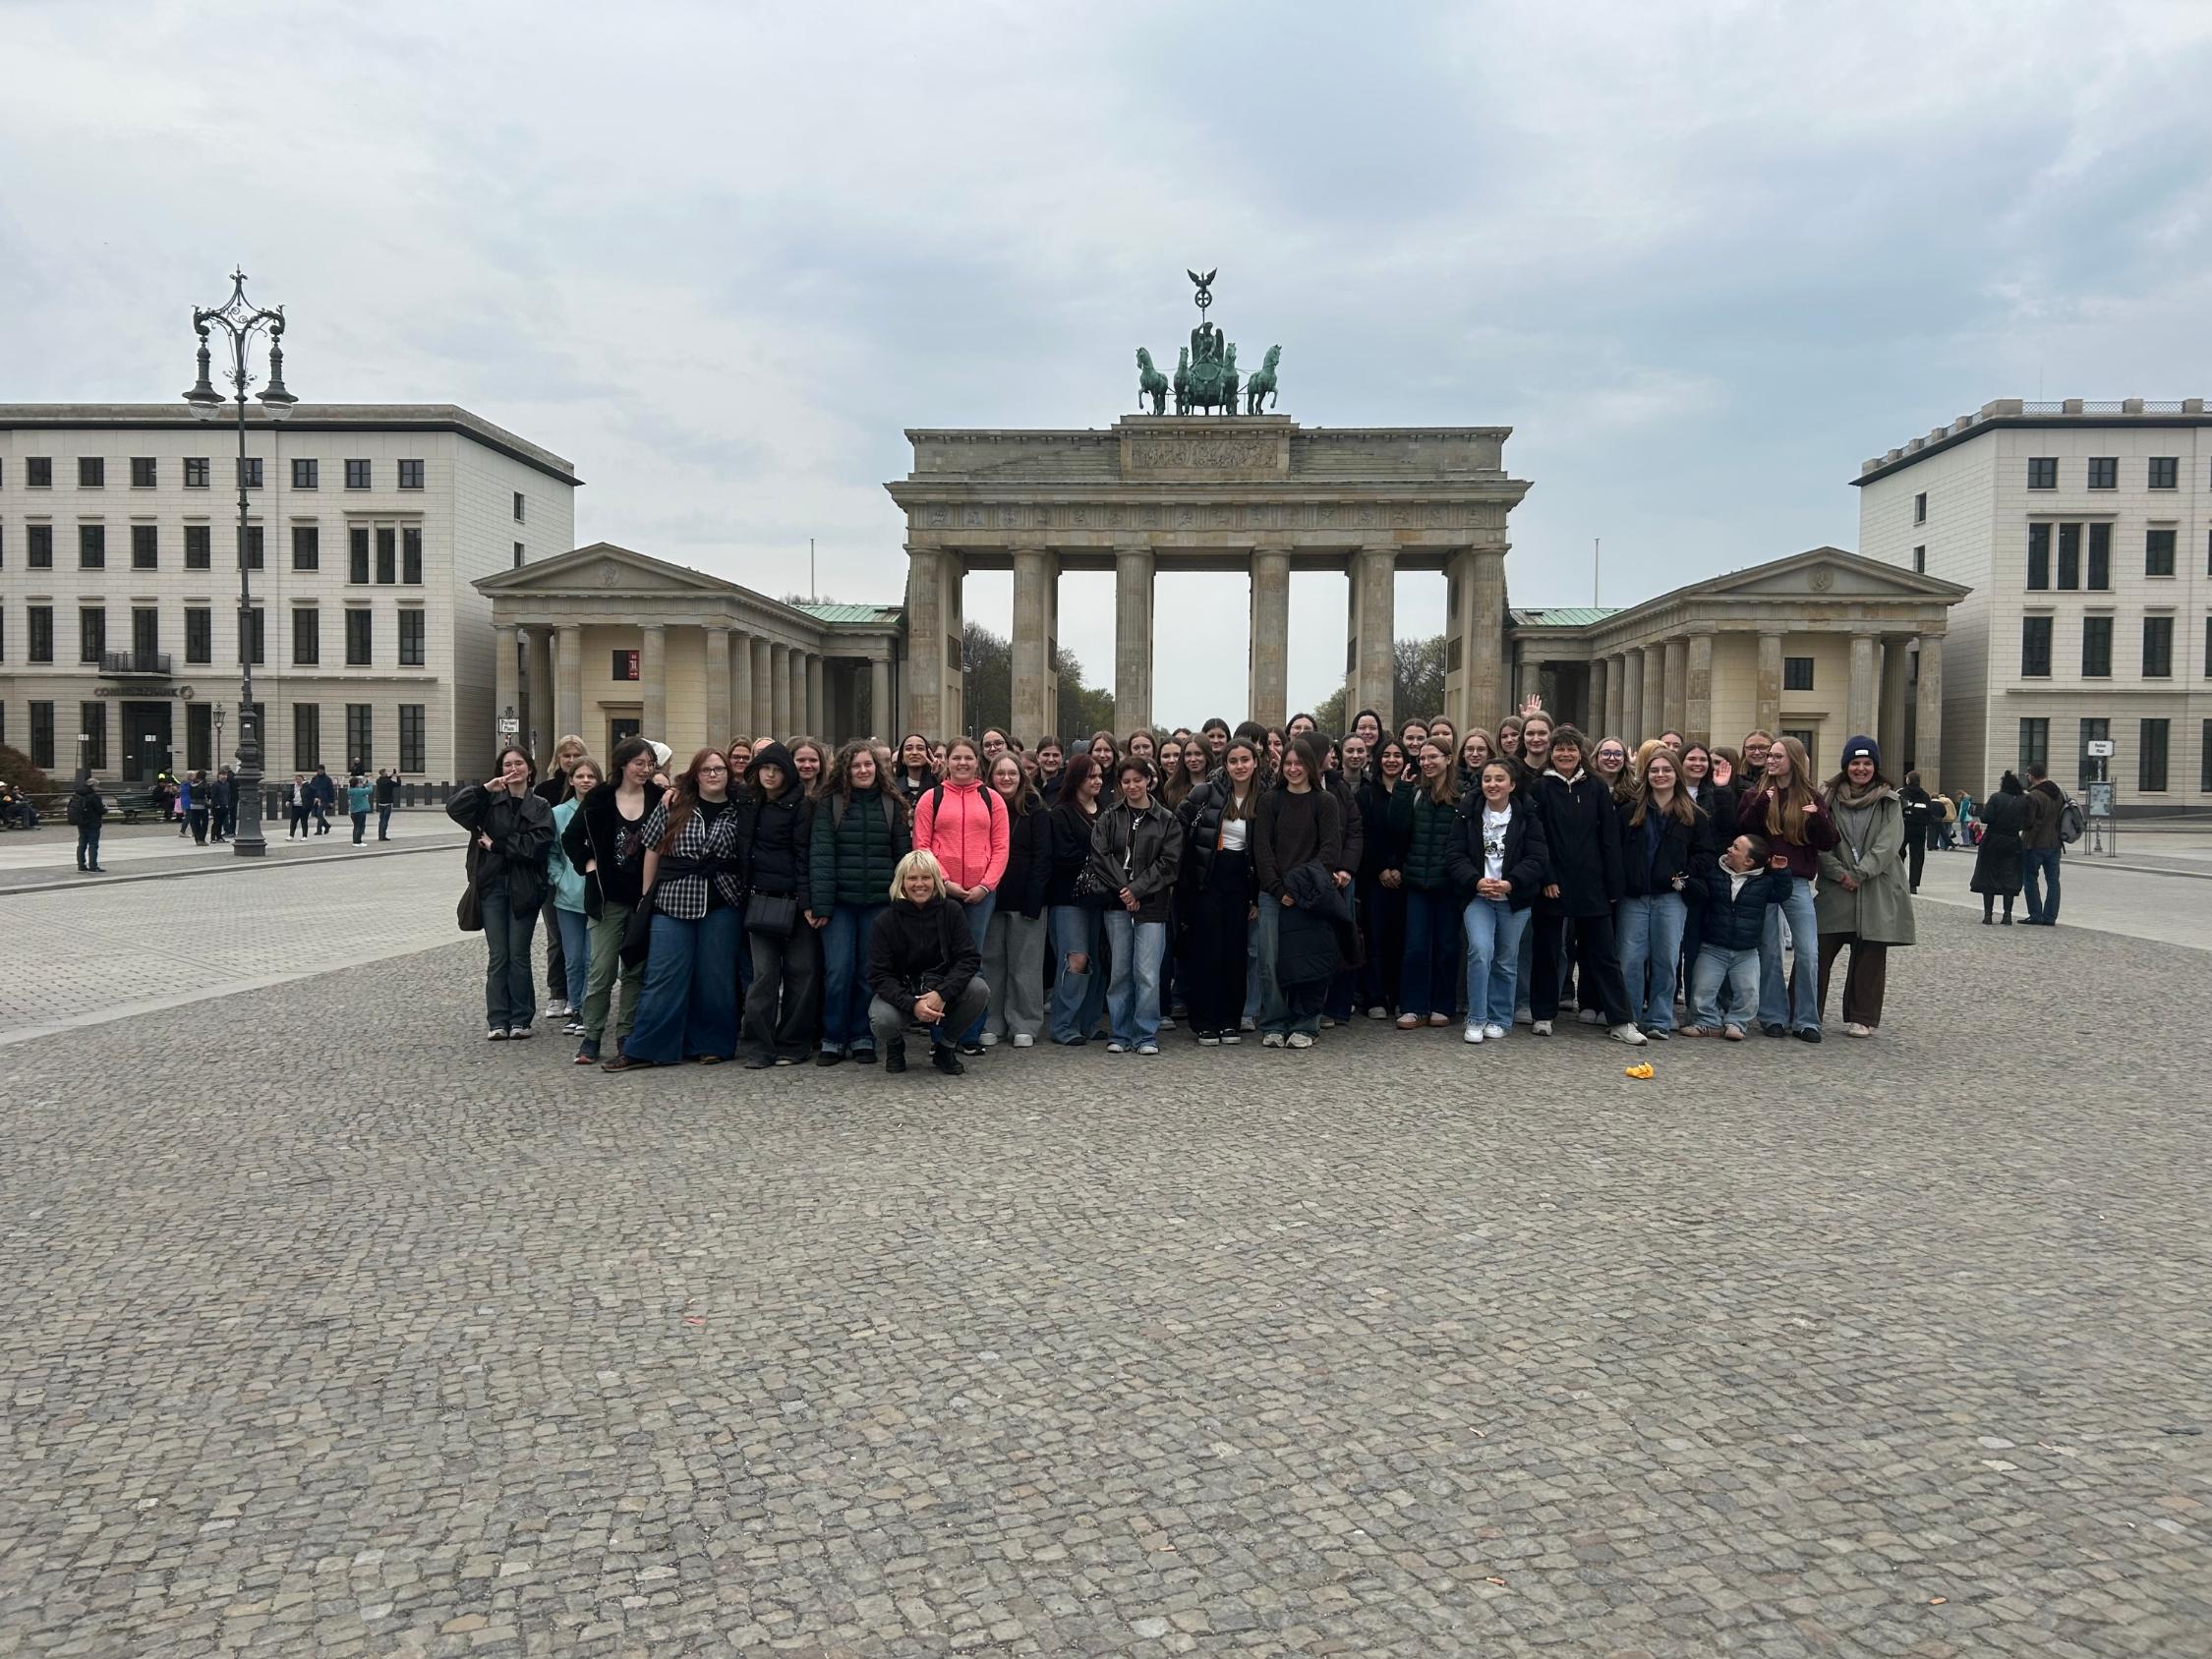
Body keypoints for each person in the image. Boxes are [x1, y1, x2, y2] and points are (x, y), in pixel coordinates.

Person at [606, 748, 744, 1071]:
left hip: (721, 901)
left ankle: (711, 1043)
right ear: (696, 775)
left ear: (728, 774)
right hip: (673, 899)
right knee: (663, 976)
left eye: (719, 769)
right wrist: (645, 896)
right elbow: (652, 848)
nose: (713, 774)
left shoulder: (739, 810)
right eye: (706, 770)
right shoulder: (675, 804)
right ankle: (649, 1046)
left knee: (716, 978)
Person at [1527, 725, 1645, 1046]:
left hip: (1592, 882)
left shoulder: (1594, 788)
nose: (1566, 754)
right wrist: (1547, 877)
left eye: (1571, 749)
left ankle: (1620, 1019)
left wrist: (1613, 886)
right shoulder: (1540, 788)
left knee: (1604, 954)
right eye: (1560, 749)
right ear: (1551, 753)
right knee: (1548, 951)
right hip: (1553, 883)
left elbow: (1609, 840)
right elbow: (1537, 838)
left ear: (1581, 753)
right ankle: (1543, 1013)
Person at [562, 737, 665, 1065]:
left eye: (650, 764)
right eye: (640, 764)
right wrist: (588, 864)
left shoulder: (659, 797)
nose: (646, 770)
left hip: (643, 899)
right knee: (602, 970)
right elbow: (571, 838)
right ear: (623, 764)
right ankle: (591, 1036)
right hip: (607, 900)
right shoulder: (600, 797)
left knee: (634, 970)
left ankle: (625, 1034)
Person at [809, 739, 911, 1066]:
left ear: (877, 768)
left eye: (868, 765)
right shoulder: (830, 803)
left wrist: (902, 904)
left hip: (880, 903)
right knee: (838, 971)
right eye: (856, 766)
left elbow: (903, 858)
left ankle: (862, 1035)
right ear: (845, 770)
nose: (863, 770)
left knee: (869, 973)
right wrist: (822, 905)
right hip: (839, 903)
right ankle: (833, 1037)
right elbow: (821, 857)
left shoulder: (891, 803)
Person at [448, 746, 554, 1041]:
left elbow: (538, 844)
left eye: (519, 763)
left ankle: (521, 1018)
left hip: (526, 887)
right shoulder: (488, 802)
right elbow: (455, 809)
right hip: (492, 886)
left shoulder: (540, 806)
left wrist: (497, 846)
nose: (514, 768)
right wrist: (484, 789)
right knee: (499, 954)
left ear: (530, 769)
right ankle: (497, 1019)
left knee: (518, 954)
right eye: (507, 764)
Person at [1736, 735, 1837, 1041]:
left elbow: (1828, 842)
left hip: (1797, 881)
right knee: (1769, 952)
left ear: (1793, 759)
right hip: (1763, 880)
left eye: (1777, 756)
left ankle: (1807, 1019)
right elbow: (1743, 832)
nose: (1771, 760)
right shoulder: (1757, 793)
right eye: (1769, 756)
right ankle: (1773, 1016)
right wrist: (1760, 804)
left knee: (1808, 952)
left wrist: (1818, 818)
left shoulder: (1811, 797)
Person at [912, 737, 1009, 1055]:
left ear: (976, 761)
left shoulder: (993, 799)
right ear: (947, 761)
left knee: (973, 963)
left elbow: (1001, 847)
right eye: (957, 758)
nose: (963, 763)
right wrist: (945, 882)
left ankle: (968, 1035)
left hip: (982, 893)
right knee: (940, 964)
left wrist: (986, 885)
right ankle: (939, 1036)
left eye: (968, 758)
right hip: (943, 893)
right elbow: (921, 845)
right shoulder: (931, 798)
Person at [1815, 736, 1912, 1038]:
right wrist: (1838, 872)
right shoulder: (1826, 799)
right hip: (1836, 885)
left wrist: (1860, 873)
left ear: (1875, 767)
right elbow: (1816, 839)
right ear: (1846, 766)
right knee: (1817, 951)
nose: (1861, 769)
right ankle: (1805, 1010)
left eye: (1867, 763)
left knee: (1870, 954)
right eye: (1855, 763)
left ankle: (1862, 1016)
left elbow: (1889, 843)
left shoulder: (1890, 801)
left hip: (1875, 886)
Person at [1446, 758, 1548, 1043]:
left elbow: (1537, 858)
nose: (1492, 784)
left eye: (1499, 779)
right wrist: (1475, 880)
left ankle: (1500, 1017)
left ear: (1512, 784)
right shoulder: (1467, 814)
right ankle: (1476, 1018)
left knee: (1506, 959)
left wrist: (1511, 882)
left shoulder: (1527, 816)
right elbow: (1455, 855)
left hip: (1513, 899)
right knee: (1480, 951)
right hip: (1478, 897)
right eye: (1487, 779)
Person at [1088, 757, 1184, 1055]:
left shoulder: (1166, 819)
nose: (1132, 786)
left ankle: (1145, 1033)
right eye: (1126, 781)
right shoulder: (1109, 816)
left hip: (1152, 904)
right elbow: (1100, 855)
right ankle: (1119, 1031)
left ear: (1149, 780)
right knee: (1119, 971)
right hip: (1117, 904)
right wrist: (1124, 889)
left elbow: (1170, 863)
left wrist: (1138, 889)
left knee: (1147, 972)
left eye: (1137, 780)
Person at [1253, 734, 1342, 1049]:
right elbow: (1262, 850)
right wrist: (1279, 890)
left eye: (1299, 763)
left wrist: (1303, 888)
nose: (1293, 769)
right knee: (1270, 961)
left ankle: (1306, 1022)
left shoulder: (1325, 802)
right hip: (1274, 896)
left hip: (1311, 895)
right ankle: (1275, 1021)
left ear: (1311, 766)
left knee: (1310, 961)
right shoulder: (1269, 801)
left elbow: (1330, 850)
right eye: (1288, 763)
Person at [733, 741, 820, 1068]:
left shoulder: (802, 806)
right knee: (763, 976)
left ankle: (794, 1043)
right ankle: (759, 1045)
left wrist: (807, 901)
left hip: (794, 900)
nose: (770, 775)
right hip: (759, 898)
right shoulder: (746, 800)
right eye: (765, 769)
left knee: (801, 973)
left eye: (777, 770)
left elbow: (804, 856)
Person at [1613, 744, 1708, 1040]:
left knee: (1666, 959)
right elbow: (1615, 851)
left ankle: (1659, 1018)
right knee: (1629, 958)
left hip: (1671, 897)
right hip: (1635, 896)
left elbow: (1706, 855)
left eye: (1666, 770)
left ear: (1676, 775)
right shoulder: (1630, 811)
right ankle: (1628, 1016)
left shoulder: (1693, 815)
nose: (1660, 775)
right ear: (1646, 775)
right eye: (1654, 770)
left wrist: (1683, 874)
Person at [867, 850, 987, 1075]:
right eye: (912, 878)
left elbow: (968, 959)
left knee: (979, 990)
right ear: (901, 882)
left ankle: (946, 1048)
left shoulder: (952, 911)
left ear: (936, 881)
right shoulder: (885, 921)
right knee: (881, 1018)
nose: (919, 884)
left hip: (942, 990)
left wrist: (942, 993)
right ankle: (895, 1046)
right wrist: (912, 1003)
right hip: (903, 993)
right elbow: (879, 976)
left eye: (926, 877)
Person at [1176, 737, 1261, 1045]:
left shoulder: (1262, 797)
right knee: (1207, 950)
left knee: (1235, 952)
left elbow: (1264, 850)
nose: (1240, 766)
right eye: (1233, 761)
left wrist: (1257, 895)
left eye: (1245, 760)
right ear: (1225, 765)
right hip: (1207, 878)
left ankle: (1229, 1019)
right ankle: (1204, 1020)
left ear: (1255, 762)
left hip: (1242, 880)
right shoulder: (1205, 792)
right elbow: (1177, 827)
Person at [1684, 833, 1791, 1040]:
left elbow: (1781, 893)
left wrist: (1781, 872)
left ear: (1749, 861)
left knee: (1748, 990)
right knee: (1702, 988)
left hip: (1747, 951)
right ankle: (1706, 1022)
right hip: (1713, 947)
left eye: (1735, 848)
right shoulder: (1714, 873)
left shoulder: (1764, 882)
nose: (1729, 850)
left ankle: (1737, 1023)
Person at [981, 753, 1050, 1049]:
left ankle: (1025, 1022)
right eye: (1000, 773)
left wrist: (1034, 899)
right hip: (989, 898)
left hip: (1026, 899)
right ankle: (991, 1020)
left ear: (1022, 776)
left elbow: (1043, 857)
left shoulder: (1036, 808)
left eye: (1012, 773)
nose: (1006, 778)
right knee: (991, 963)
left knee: (1026, 966)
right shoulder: (982, 806)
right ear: (991, 777)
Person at [1393, 738, 1463, 1030]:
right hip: (1418, 881)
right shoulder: (1415, 793)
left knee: (1447, 946)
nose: (1427, 763)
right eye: (1422, 758)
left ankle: (1443, 1005)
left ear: (1448, 759)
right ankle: (1413, 1006)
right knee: (1416, 946)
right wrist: (1400, 791)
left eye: (1433, 757)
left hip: (1449, 883)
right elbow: (1397, 831)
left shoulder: (1463, 796)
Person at [1045, 752, 1110, 1045]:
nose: (1097, 781)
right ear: (1076, 779)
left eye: (1099, 776)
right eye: (1090, 776)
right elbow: (1062, 855)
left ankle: (1089, 1021)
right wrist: (1099, 860)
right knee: (1075, 959)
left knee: (1096, 959)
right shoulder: (1060, 813)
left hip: (1101, 897)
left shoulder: (1107, 810)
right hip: (1068, 897)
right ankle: (1063, 1024)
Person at [1355, 736, 1412, 1019]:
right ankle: (1375, 996)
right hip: (1374, 876)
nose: (1391, 760)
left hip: (1405, 876)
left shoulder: (1414, 792)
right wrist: (1381, 869)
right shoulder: (1364, 794)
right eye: (1386, 755)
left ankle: (1399, 994)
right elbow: (1364, 835)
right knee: (1375, 937)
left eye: (1397, 755)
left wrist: (1401, 867)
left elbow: (1413, 837)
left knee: (1402, 937)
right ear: (1377, 760)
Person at [546, 759, 602, 1034]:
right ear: (571, 780)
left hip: (598, 894)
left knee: (594, 957)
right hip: (568, 896)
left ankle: (590, 1009)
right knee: (573, 957)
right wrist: (558, 878)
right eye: (580, 776)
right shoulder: (558, 813)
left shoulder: (605, 809)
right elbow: (552, 853)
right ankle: (576, 1007)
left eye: (591, 776)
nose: (586, 780)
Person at [1972, 773, 2029, 924]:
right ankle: (2007, 915)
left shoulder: (1996, 797)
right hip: (2013, 841)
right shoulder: (2023, 800)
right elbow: (2027, 822)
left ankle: (1988, 915)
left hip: (1993, 840)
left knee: (1989, 875)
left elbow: (1986, 818)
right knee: (2009, 876)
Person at [2020, 762, 2066, 926]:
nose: (2027, 777)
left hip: (2035, 844)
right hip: (2055, 843)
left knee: (2030, 879)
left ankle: (2036, 914)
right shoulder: (2059, 793)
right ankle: (2050, 917)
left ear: (2032, 775)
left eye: (2027, 775)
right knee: (2053, 881)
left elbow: (2028, 822)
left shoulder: (2033, 796)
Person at [1898, 771, 1935, 893]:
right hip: (1919, 829)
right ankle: (1913, 885)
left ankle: (1898, 881)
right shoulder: (1925, 795)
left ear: (1908, 780)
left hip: (1903, 827)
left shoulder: (1901, 793)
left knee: (1898, 855)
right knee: (1917, 857)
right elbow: (1929, 813)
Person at [69, 776, 107, 873]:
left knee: (82, 844)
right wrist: (105, 809)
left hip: (81, 822)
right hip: (93, 822)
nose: (98, 788)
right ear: (93, 785)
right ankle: (93, 866)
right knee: (93, 844)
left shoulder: (77, 794)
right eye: (97, 786)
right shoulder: (93, 796)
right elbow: (100, 810)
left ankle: (81, 865)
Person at [892, 733, 936, 806]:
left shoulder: (937, 787)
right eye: (909, 749)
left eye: (920, 748)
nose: (914, 753)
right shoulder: (893, 789)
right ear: (902, 757)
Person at [1034, 736, 1065, 802]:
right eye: (1046, 755)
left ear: (1062, 758)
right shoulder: (1027, 785)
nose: (1051, 759)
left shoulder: (1069, 786)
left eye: (1055, 755)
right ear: (1037, 757)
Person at [345, 774, 373, 845]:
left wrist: (364, 783)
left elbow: (363, 788)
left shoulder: (351, 790)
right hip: (360, 811)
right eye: (360, 782)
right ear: (356, 784)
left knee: (356, 826)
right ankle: (358, 842)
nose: (361, 784)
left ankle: (356, 841)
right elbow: (369, 790)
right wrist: (369, 783)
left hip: (353, 811)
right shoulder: (359, 791)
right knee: (359, 827)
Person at [308, 764, 336, 834]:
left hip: (324, 799)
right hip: (315, 799)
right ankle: (327, 825)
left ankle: (319, 830)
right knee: (316, 814)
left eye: (321, 770)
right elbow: (311, 788)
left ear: (323, 770)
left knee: (319, 813)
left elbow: (331, 790)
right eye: (318, 770)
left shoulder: (327, 779)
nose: (320, 771)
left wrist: (331, 801)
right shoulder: (314, 778)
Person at [373, 768, 399, 840]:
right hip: (388, 802)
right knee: (385, 820)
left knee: (381, 819)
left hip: (381, 802)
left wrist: (391, 775)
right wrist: (397, 776)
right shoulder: (389, 782)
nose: (387, 773)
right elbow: (398, 784)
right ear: (384, 773)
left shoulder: (378, 781)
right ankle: (383, 836)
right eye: (386, 772)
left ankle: (380, 835)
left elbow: (385, 779)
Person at [208, 768, 234, 842]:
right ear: (219, 776)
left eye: (225, 775)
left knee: (221, 822)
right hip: (217, 806)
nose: (225, 777)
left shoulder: (227, 784)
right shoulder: (215, 785)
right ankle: (213, 837)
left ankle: (219, 836)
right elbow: (213, 796)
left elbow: (229, 794)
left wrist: (228, 804)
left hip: (225, 805)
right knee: (216, 822)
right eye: (223, 775)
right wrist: (216, 804)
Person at [287, 774, 312, 839]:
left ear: (302, 780)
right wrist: (288, 801)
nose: (298, 781)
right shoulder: (294, 786)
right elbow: (291, 795)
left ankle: (304, 836)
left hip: (303, 807)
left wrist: (313, 800)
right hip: (295, 806)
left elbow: (313, 792)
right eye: (297, 779)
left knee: (304, 822)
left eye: (299, 779)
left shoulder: (307, 786)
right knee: (293, 821)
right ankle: (291, 835)